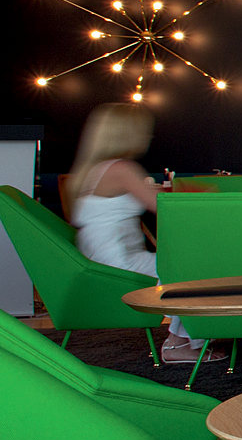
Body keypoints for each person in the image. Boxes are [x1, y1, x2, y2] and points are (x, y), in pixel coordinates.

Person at [63, 102, 198, 361]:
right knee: (190, 270)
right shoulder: (121, 169)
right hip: (117, 260)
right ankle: (178, 344)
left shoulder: (95, 169)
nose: (149, 136)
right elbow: (162, 207)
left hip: (98, 255)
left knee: (183, 265)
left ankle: (192, 336)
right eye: (144, 130)